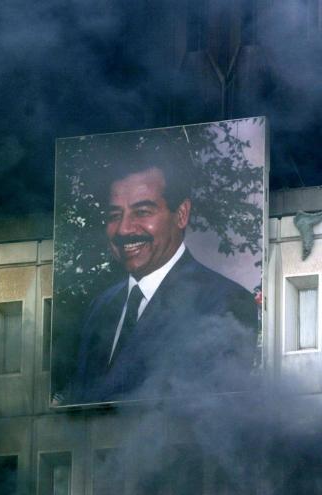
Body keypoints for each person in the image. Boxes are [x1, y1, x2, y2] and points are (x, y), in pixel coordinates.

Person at [62, 139, 258, 405]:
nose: (123, 229)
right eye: (114, 215)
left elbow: (214, 417)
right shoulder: (99, 308)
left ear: (181, 214)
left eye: (142, 212)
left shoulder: (226, 303)